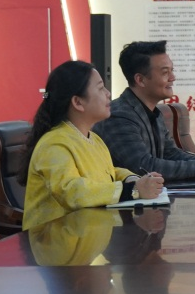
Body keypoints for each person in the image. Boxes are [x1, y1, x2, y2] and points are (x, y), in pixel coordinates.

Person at [21, 60, 165, 230]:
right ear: (78, 102)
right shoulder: (54, 144)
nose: (108, 94)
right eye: (100, 88)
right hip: (54, 239)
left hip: (85, 234)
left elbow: (108, 172)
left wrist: (133, 179)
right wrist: (133, 190)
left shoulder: (93, 138)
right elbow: (72, 192)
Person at [95, 40, 195, 182]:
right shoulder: (119, 116)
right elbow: (144, 167)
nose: (173, 77)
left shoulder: (152, 111)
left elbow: (171, 154)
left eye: (172, 70)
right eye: (165, 72)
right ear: (140, 80)